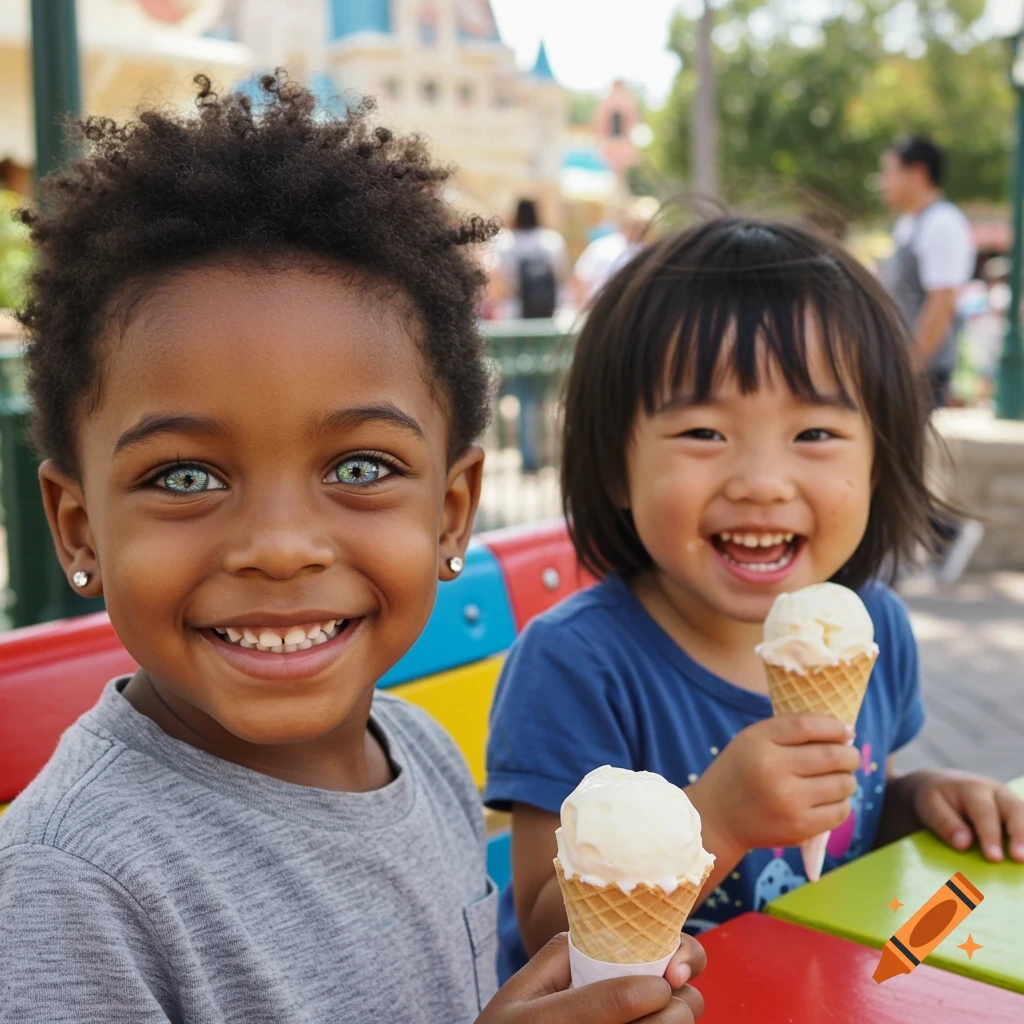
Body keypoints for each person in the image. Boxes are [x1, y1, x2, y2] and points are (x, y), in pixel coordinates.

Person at [0, 74, 706, 1024]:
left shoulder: (422, 751)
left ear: (453, 512)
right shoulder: (71, 890)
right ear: (79, 528)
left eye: (362, 465)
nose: (281, 548)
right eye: (184, 477)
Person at [483, 218, 1024, 983]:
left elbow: (851, 815)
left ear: (878, 460)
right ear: (615, 467)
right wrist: (718, 819)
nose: (762, 481)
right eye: (704, 431)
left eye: (814, 433)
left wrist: (923, 801)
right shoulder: (577, 664)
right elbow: (545, 930)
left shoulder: (876, 632)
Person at [878, 135, 983, 583]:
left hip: (918, 369)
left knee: (892, 457)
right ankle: (936, 537)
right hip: (903, 366)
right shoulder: (914, 225)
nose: (882, 183)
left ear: (917, 173)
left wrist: (909, 364)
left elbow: (941, 304)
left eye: (888, 171)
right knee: (896, 458)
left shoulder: (942, 225)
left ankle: (940, 536)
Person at [488, 199, 569, 472]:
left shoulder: (505, 243)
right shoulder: (551, 241)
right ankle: (548, 449)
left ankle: (530, 455)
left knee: (524, 392)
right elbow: (561, 278)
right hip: (547, 325)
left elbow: (499, 284)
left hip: (517, 328)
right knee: (547, 391)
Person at [572, 195, 659, 308]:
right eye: (631, 223)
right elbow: (580, 278)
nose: (634, 229)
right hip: (601, 309)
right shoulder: (602, 247)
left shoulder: (652, 251)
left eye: (639, 225)